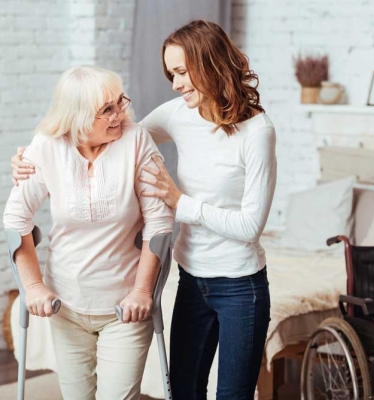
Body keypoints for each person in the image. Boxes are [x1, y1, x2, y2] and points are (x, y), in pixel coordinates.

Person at [11, 19, 277, 400]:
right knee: (184, 392)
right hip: (192, 278)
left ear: (211, 64)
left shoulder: (257, 132)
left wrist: (180, 203)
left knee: (233, 395)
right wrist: (31, 157)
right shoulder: (179, 113)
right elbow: (120, 135)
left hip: (240, 284)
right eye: (171, 73)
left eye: (183, 72)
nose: (176, 84)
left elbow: (250, 226)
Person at [4, 65, 174, 400]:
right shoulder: (47, 147)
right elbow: (15, 220)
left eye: (120, 103)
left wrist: (142, 291)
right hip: (65, 303)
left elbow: (159, 223)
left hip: (124, 306)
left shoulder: (135, 139)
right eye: (107, 110)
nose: (119, 115)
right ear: (77, 117)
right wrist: (34, 286)